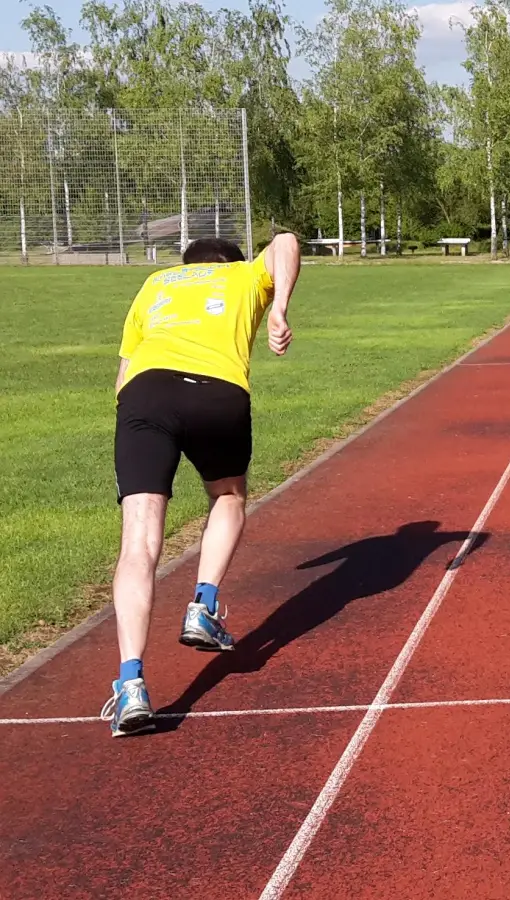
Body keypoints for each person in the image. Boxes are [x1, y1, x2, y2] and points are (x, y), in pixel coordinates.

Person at [102, 232, 301, 737]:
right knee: (228, 494)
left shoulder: (157, 282)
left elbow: (123, 374)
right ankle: (203, 604)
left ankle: (131, 683)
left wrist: (134, 432)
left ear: (186, 263)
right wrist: (278, 308)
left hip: (144, 397)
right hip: (217, 392)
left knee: (139, 540)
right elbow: (285, 241)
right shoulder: (242, 274)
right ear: (232, 261)